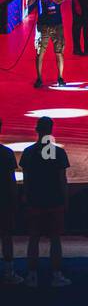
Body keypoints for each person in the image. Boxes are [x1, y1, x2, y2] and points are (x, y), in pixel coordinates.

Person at [19, 116, 71, 287]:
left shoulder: (28, 152)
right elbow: (61, 179)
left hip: (35, 199)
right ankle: (56, 275)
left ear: (36, 129)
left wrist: (26, 196)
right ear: (51, 130)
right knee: (55, 238)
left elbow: (26, 179)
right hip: (54, 200)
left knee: (33, 238)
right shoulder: (59, 153)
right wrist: (65, 198)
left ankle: (32, 275)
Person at [29, 0, 67, 87]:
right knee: (40, 52)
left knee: (59, 52)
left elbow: (59, 0)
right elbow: (29, 2)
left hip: (57, 25)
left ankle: (60, 77)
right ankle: (39, 78)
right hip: (42, 26)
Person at [0, 118, 20, 284]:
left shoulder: (7, 153)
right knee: (7, 236)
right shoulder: (6, 153)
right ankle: (8, 271)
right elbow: (11, 180)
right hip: (4, 200)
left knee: (7, 236)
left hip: (5, 200)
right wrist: (15, 200)